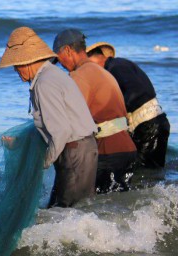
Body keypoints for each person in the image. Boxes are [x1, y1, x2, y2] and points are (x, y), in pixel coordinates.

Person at [0, 27, 98, 207]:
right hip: (80, 150)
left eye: (16, 65)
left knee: (66, 214)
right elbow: (52, 127)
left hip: (75, 152)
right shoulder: (51, 75)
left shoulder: (44, 83)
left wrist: (42, 162)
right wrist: (20, 143)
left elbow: (61, 131)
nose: (15, 71)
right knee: (70, 211)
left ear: (27, 61)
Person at [53, 29, 138, 193]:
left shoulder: (79, 76)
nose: (61, 65)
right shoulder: (102, 71)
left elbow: (69, 118)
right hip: (127, 149)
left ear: (68, 51)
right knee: (118, 208)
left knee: (94, 207)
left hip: (109, 151)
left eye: (59, 58)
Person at [86, 42, 170, 170]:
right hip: (155, 122)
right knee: (152, 171)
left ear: (93, 59)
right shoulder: (120, 64)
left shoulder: (115, 68)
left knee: (143, 173)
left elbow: (135, 92)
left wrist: (118, 111)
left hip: (148, 126)